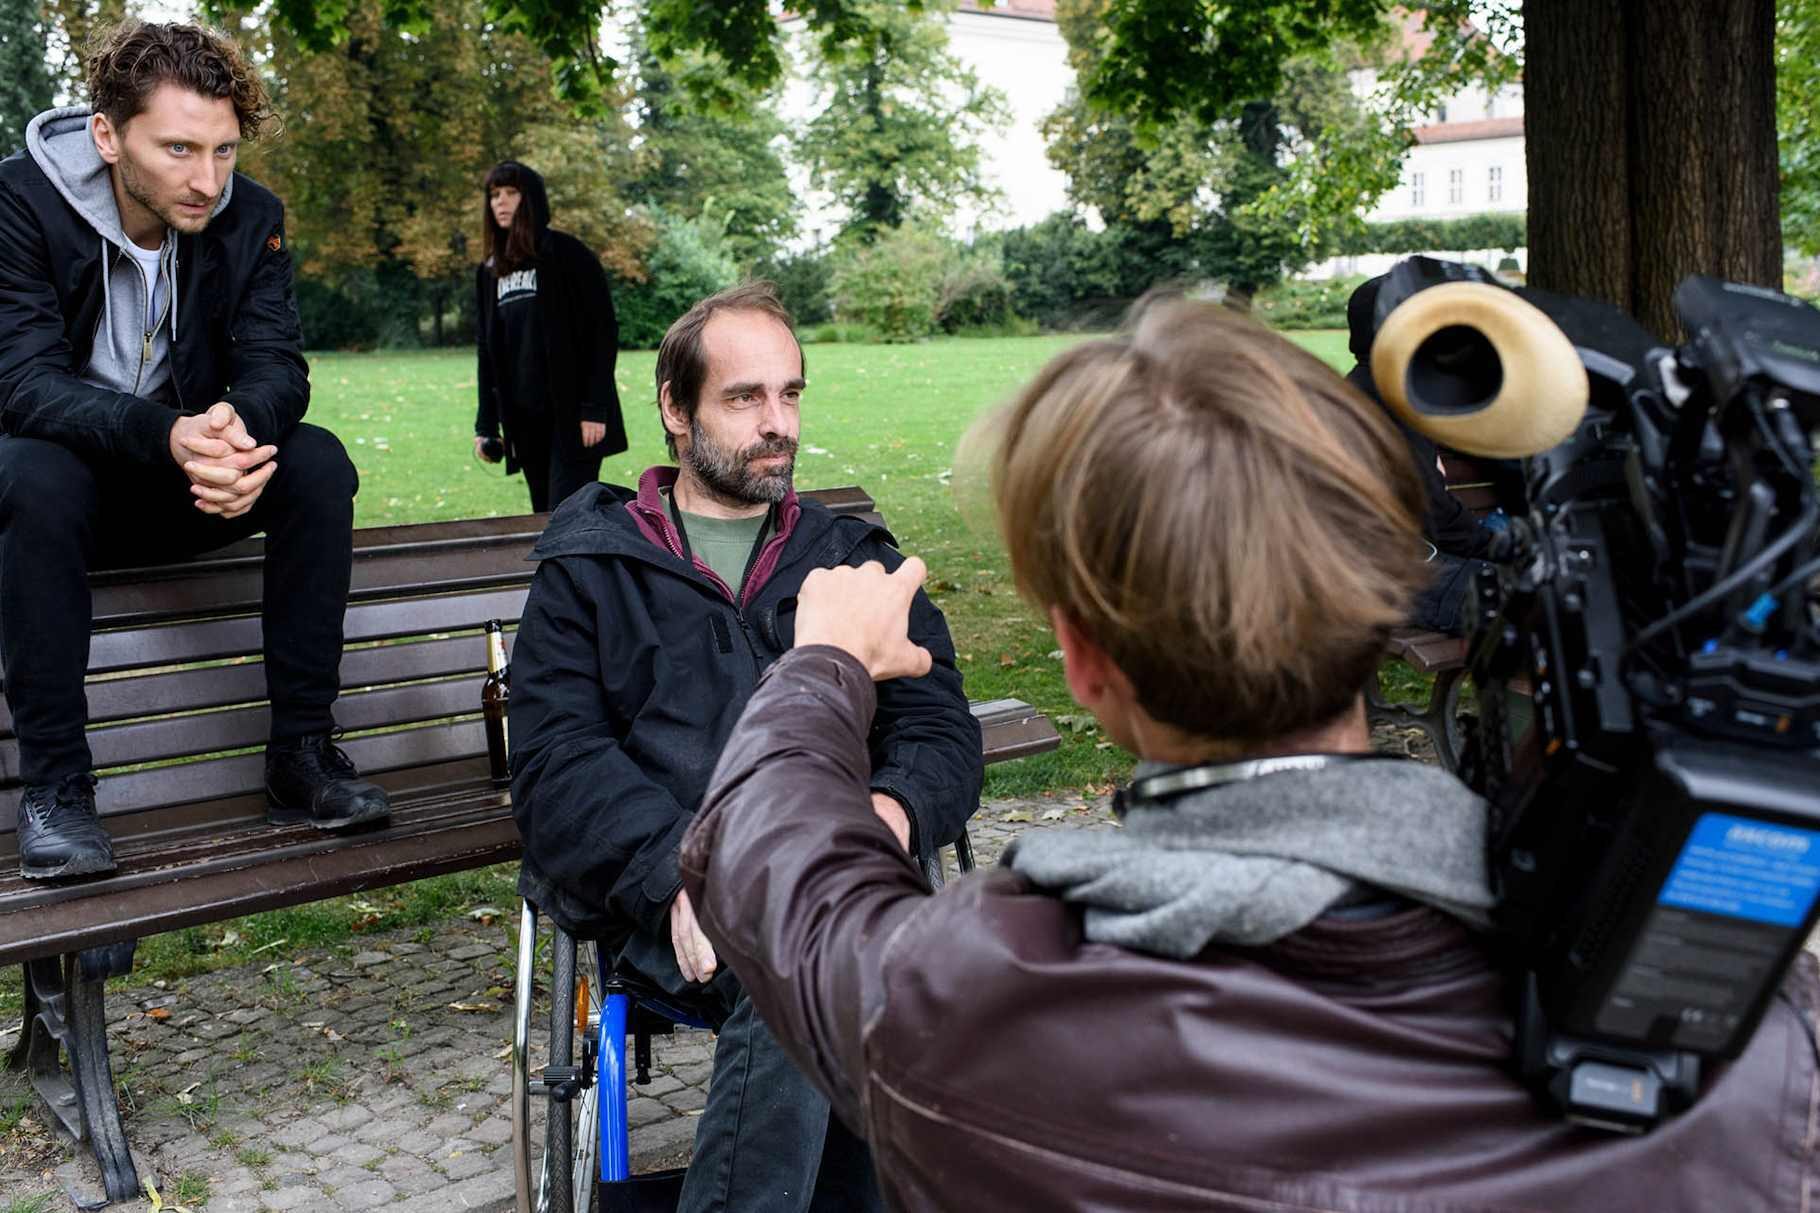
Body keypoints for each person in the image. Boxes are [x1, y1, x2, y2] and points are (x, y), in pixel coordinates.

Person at [675, 298, 1818, 1210]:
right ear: (1379, 608)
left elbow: (776, 870)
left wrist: (822, 662)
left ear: (1083, 660)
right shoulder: (1747, 1045)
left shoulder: (966, 998)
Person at [508, 281, 983, 1211]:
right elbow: (558, 766)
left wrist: (889, 815)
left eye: (790, 393)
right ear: (675, 409)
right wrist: (676, 873)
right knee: (794, 964)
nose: (778, 423)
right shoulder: (592, 567)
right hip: (663, 894)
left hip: (843, 878)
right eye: (745, 397)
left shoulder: (853, 560)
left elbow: (937, 728)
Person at [0, 20, 389, 882]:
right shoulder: (18, 202)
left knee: (316, 463)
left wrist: (231, 434)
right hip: (58, 501)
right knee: (32, 470)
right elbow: (21, 383)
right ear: (108, 135)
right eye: (178, 148)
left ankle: (301, 753)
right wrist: (168, 435)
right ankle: (56, 788)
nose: (207, 179)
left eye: (224, 150)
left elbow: (278, 365)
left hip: (187, 480)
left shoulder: (250, 216)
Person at [472, 160, 626, 512]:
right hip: (524, 418)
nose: (500, 201)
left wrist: (594, 408)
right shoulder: (490, 271)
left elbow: (602, 332)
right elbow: (486, 350)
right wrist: (486, 426)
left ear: (531, 199)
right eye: (494, 195)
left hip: (573, 416)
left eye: (511, 192)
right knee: (542, 514)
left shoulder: (568, 254)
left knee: (567, 513)